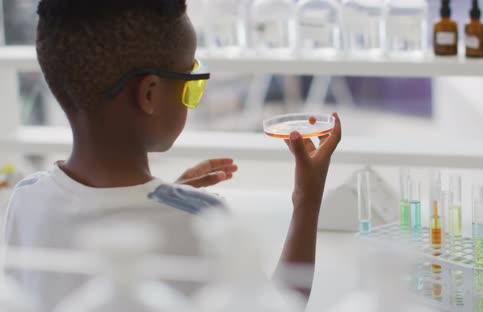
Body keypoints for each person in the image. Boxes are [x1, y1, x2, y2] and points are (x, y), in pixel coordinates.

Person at [3, 0, 342, 310]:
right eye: (191, 83)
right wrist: (307, 199)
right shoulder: (204, 222)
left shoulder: (26, 198)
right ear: (149, 93)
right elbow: (283, 305)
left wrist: (167, 196)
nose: (191, 97)